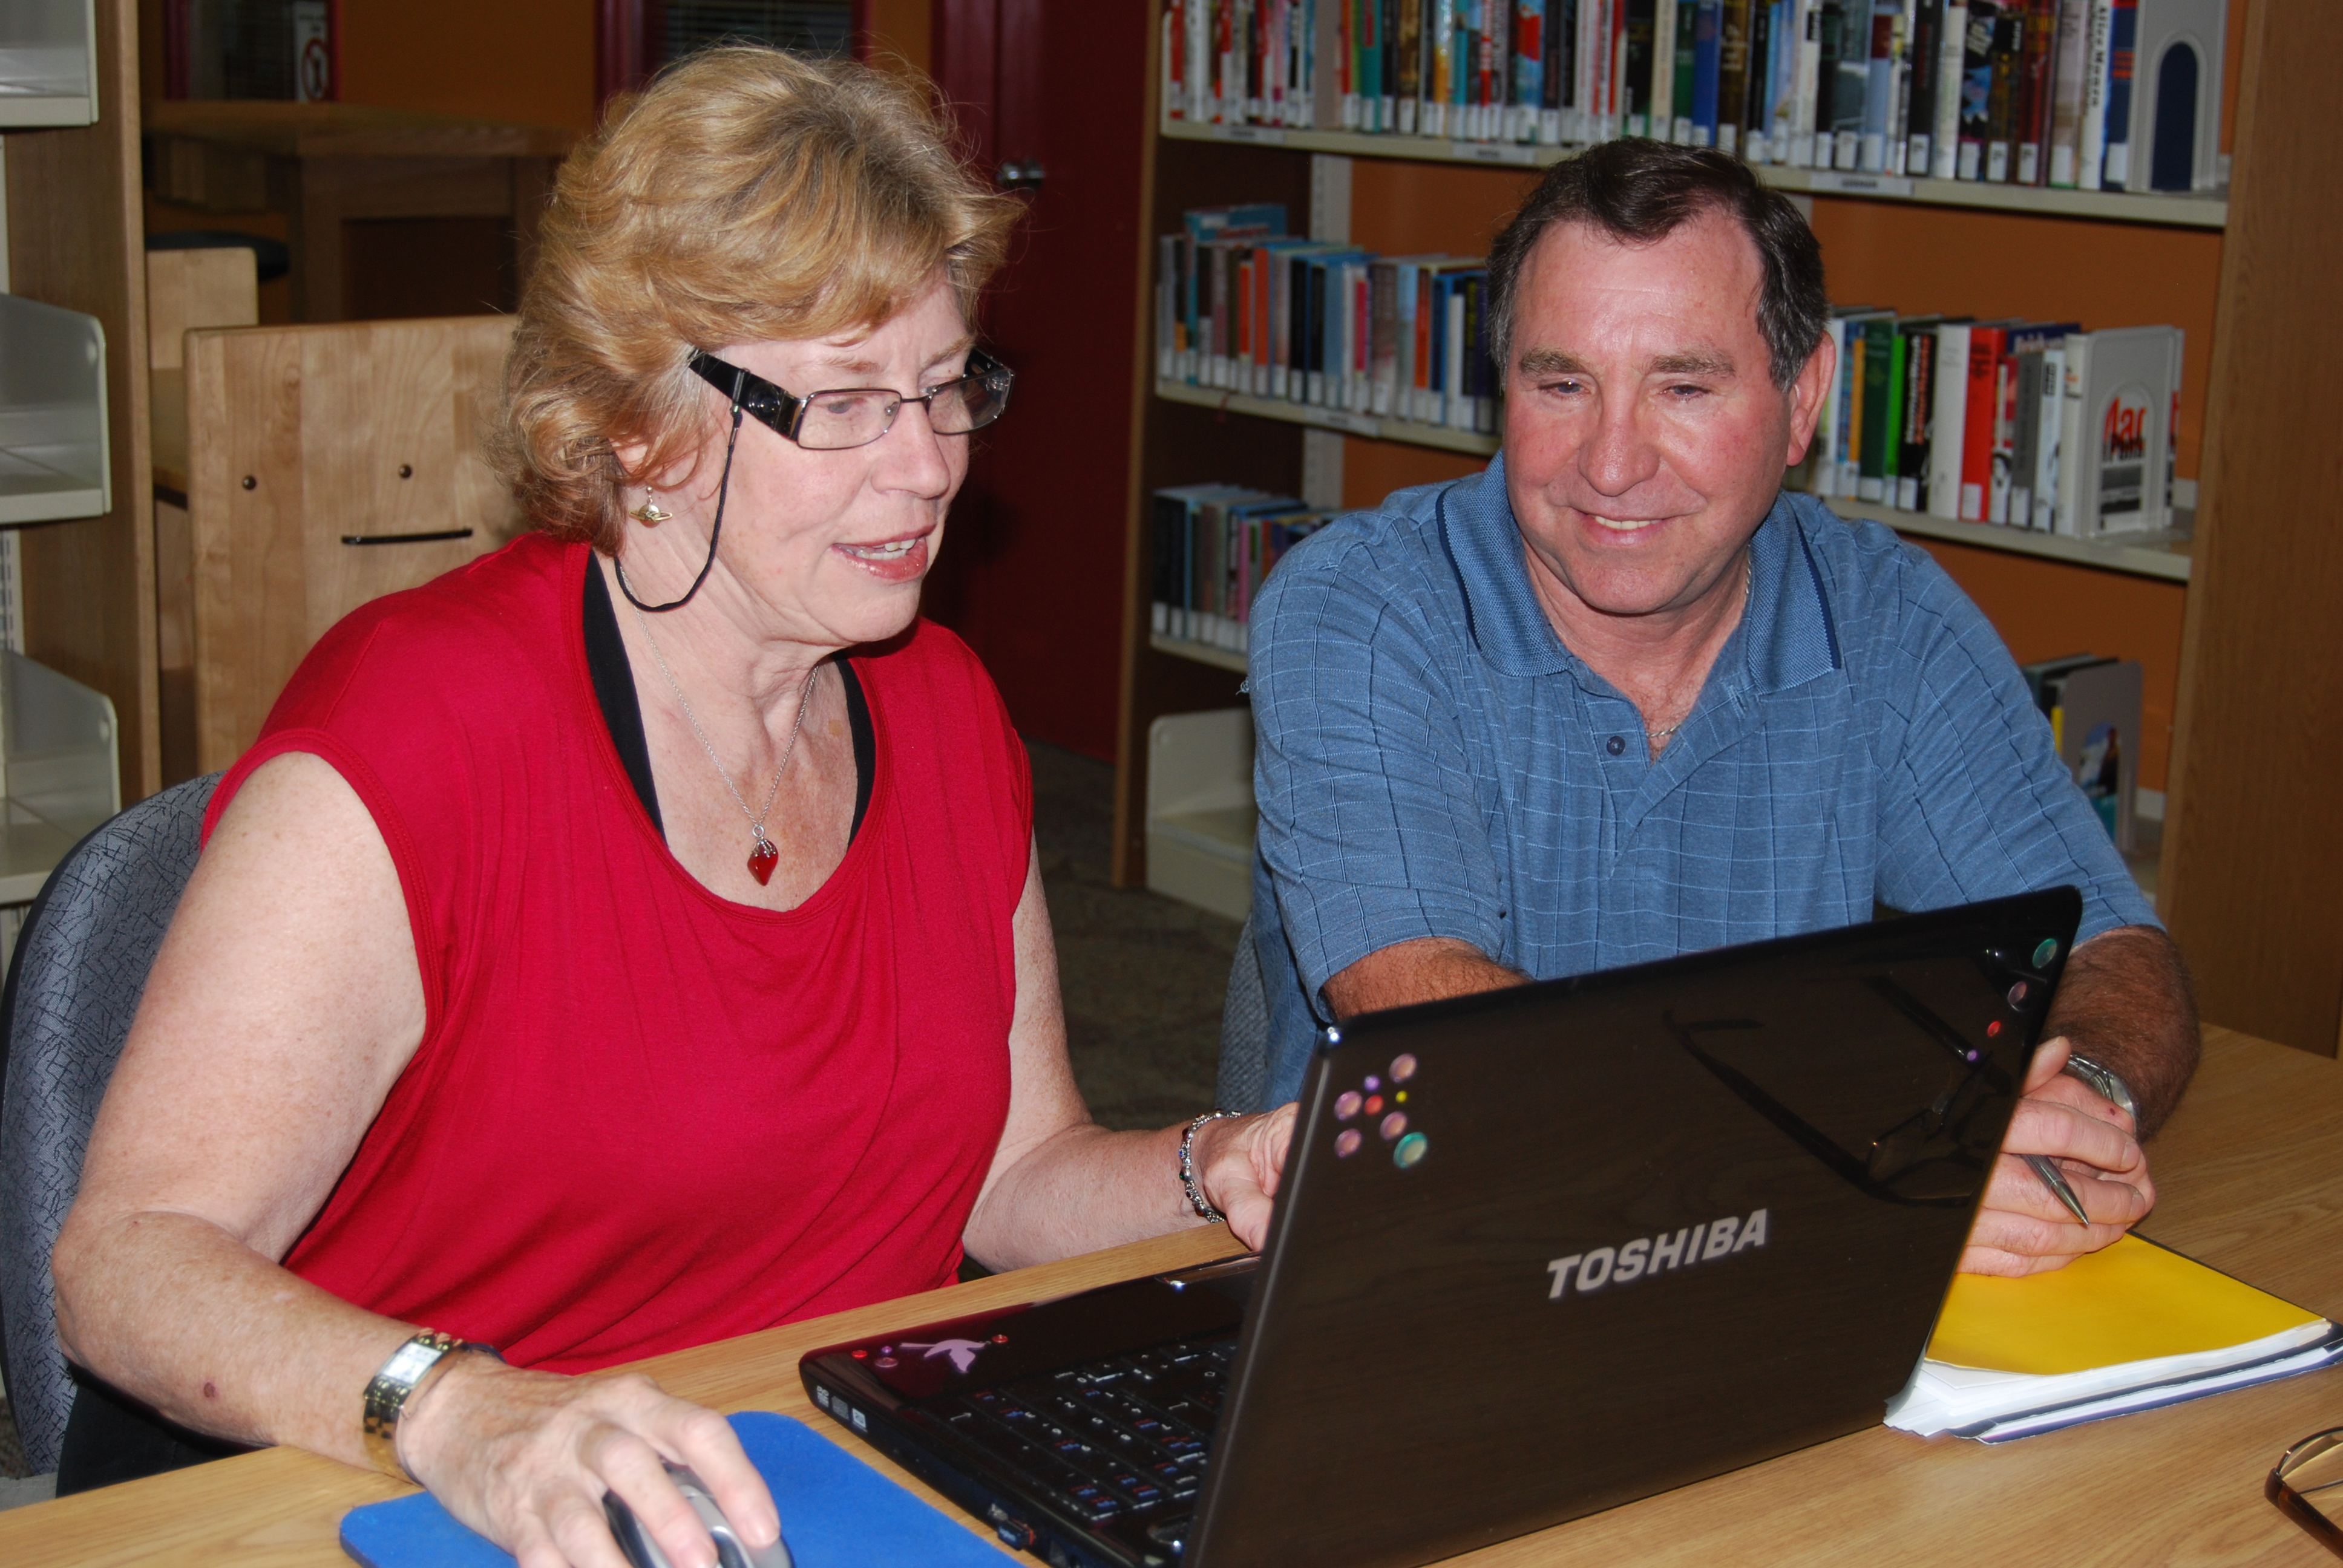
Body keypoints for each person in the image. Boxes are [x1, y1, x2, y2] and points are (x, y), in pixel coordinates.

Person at [51, 47, 1293, 1568]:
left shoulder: (945, 710)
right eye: (845, 404)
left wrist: (1218, 1166)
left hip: (816, 1482)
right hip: (448, 1494)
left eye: (945, 387)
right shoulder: (425, 726)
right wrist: (463, 1411)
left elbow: (1010, 1176)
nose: (928, 466)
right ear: (638, 424)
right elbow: (127, 1265)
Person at [1245, 140, 2195, 1282]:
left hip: (1772, 1257)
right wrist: (1855, 1147)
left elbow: (2117, 954)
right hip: (1420, 1257)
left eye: (1684, 388)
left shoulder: (1885, 618)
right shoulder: (1362, 604)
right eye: (1561, 385)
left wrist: (2066, 1105)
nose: (1611, 464)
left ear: (1804, 400)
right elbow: (1429, 1026)